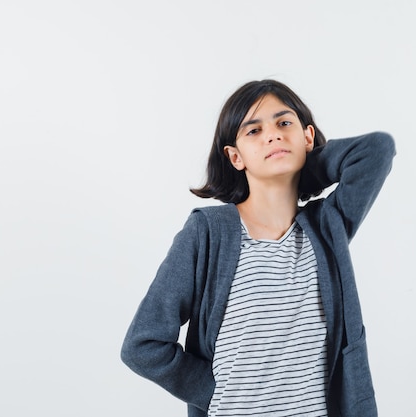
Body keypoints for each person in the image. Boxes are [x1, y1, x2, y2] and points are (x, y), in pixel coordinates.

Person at [121, 79, 396, 417]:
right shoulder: (208, 233)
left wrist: (302, 163)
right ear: (235, 157)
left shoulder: (328, 226)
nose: (272, 134)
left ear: (307, 136)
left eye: (284, 123)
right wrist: (215, 391)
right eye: (253, 131)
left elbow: (377, 150)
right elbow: (143, 345)